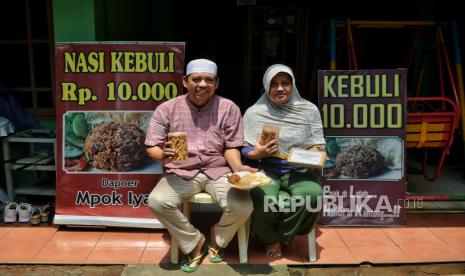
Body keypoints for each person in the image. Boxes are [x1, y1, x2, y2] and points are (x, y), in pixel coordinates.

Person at [145, 59, 255, 272]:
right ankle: (194, 241)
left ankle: (218, 238)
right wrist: (162, 155)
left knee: (243, 206)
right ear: (185, 82)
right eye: (196, 79)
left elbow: (231, 147)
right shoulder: (167, 109)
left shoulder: (228, 108)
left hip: (218, 171)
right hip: (180, 170)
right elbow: (152, 147)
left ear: (216, 83)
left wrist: (239, 168)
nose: (202, 84)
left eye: (209, 80)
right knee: (157, 202)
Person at [241, 64, 325, 257]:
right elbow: (244, 147)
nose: (280, 88)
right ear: (266, 87)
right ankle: (269, 239)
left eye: (285, 83)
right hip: (266, 169)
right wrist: (256, 153)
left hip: (300, 171)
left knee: (312, 195)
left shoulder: (309, 110)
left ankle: (282, 233)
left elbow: (319, 143)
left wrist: (311, 152)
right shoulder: (255, 112)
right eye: (274, 84)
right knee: (263, 197)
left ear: (292, 85)